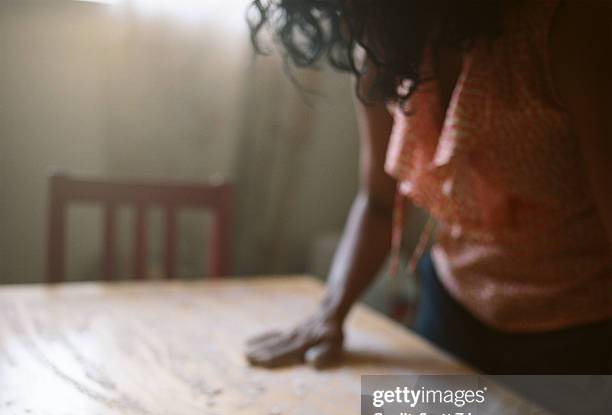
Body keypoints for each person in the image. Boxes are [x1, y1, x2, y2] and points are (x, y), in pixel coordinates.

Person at [245, 0, 612, 374]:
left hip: (579, 336)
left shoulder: (567, 28)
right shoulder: (383, 46)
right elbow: (377, 202)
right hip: (453, 311)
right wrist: (329, 313)